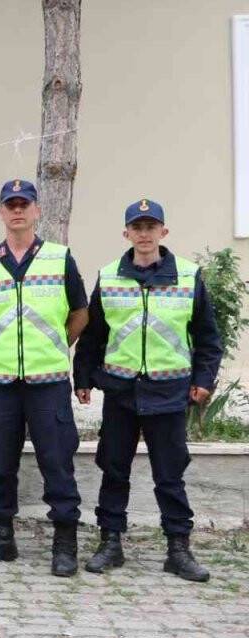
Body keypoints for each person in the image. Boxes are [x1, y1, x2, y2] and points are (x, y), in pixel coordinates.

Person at [74, 199, 223, 582]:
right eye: (136, 227)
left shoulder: (189, 277)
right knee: (113, 469)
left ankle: (178, 548)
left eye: (150, 226)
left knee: (170, 474)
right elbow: (93, 336)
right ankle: (110, 543)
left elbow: (208, 338)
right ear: (126, 233)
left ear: (163, 232)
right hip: (122, 393)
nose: (144, 234)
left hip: (170, 392)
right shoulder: (108, 277)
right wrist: (84, 378)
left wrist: (203, 380)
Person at [0, 179, 89, 577]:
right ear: (1, 212)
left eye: (25, 204)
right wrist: (3, 347)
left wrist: (54, 345)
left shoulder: (59, 258)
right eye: (10, 204)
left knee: (57, 462)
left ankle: (64, 543)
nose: (17, 210)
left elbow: (80, 313)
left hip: (47, 381)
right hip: (0, 382)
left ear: (37, 211)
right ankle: (2, 539)